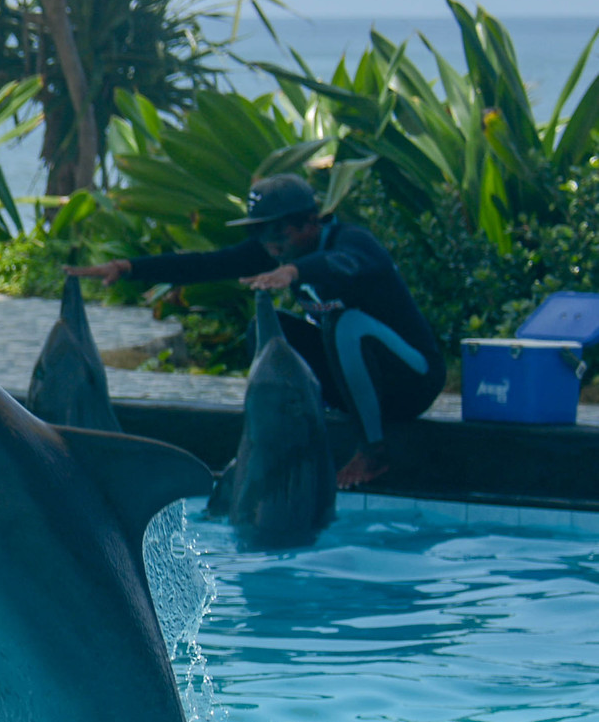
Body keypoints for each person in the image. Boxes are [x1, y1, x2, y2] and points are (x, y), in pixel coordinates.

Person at [68, 174, 445, 488]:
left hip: (412, 381)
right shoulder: (276, 253)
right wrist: (129, 267)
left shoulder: (352, 242)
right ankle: (291, 441)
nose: (271, 245)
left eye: (279, 233)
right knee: (269, 330)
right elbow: (206, 265)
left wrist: (293, 273)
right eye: (262, 235)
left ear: (311, 222)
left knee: (347, 325)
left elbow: (339, 263)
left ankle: (373, 454)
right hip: (359, 391)